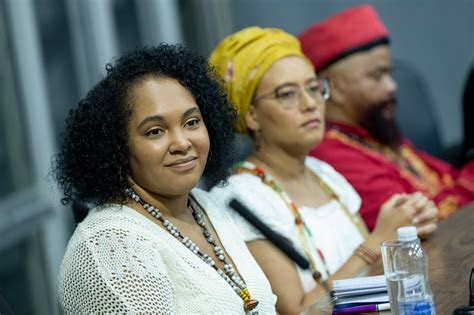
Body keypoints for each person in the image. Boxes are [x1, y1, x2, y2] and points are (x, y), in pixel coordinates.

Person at [208, 27, 437, 314]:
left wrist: (405, 228)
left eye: (314, 88)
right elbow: (299, 311)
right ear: (251, 115)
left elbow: (367, 284)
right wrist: (377, 241)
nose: (310, 104)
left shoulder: (324, 173)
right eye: (288, 94)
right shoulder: (240, 199)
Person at [52, 44, 276, 314]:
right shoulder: (110, 246)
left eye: (191, 122)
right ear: (117, 147)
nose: (182, 142)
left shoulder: (203, 204)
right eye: (155, 131)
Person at [298, 4, 474, 230]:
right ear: (335, 88)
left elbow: (445, 180)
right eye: (377, 76)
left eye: (389, 73)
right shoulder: (330, 153)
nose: (392, 86)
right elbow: (417, 223)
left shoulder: (374, 131)